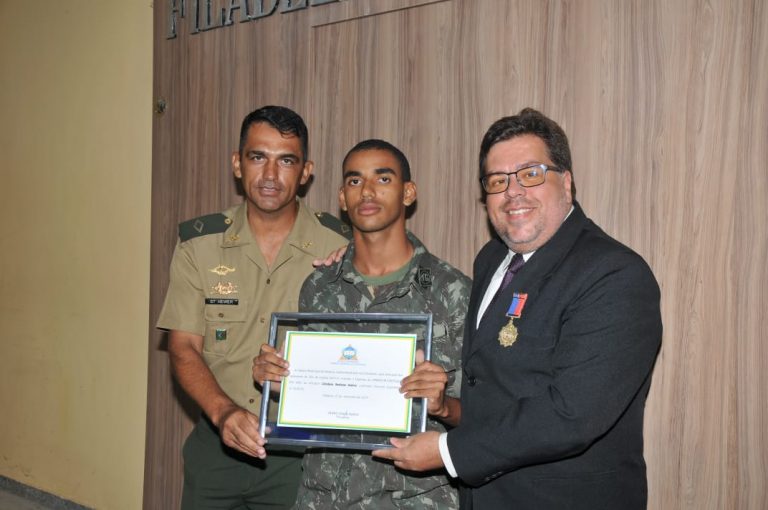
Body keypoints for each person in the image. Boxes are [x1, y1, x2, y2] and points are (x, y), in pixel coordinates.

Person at [373, 108, 662, 510]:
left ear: (566, 182)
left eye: (530, 174)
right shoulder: (492, 258)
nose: (513, 192)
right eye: (497, 180)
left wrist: (447, 451)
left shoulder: (613, 274)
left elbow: (572, 415)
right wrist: (446, 410)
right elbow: (493, 390)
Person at [253, 139, 471, 508]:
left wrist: (442, 406)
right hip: (323, 497)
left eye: (383, 179)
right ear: (342, 197)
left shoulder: (452, 291)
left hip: (413, 498)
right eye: (355, 181)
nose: (367, 191)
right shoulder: (319, 287)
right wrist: (278, 381)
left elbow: (486, 418)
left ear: (408, 192)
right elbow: (314, 397)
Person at [156, 105, 350, 509]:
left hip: (301, 456)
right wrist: (224, 412)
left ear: (306, 172)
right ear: (237, 164)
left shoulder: (340, 246)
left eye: (286, 161)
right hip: (218, 441)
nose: (270, 175)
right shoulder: (199, 245)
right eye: (258, 157)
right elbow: (183, 347)